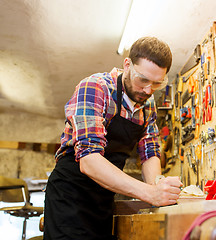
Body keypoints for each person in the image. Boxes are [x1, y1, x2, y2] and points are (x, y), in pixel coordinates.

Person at [43, 36, 182, 240]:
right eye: (142, 79)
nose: (148, 90)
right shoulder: (95, 87)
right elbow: (89, 161)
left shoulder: (148, 104)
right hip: (70, 196)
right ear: (127, 65)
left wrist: (158, 188)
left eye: (156, 83)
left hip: (104, 199)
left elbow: (150, 151)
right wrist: (149, 193)